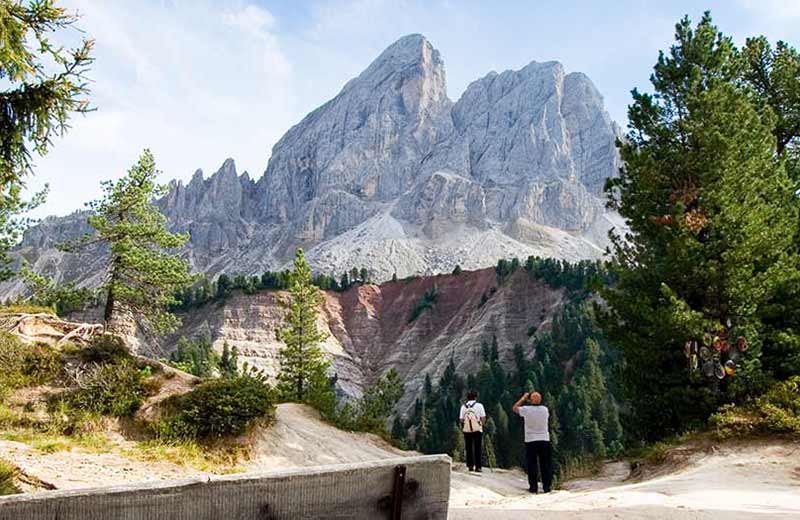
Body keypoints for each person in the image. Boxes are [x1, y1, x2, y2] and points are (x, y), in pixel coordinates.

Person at [513, 391, 552, 493]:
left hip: (531, 440)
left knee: (532, 464)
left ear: (530, 400)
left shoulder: (526, 410)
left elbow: (515, 408)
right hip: (544, 439)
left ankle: (533, 487)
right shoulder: (545, 410)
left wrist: (523, 398)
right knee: (545, 464)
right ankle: (546, 487)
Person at [459, 390, 486, 472]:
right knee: (478, 448)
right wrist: (481, 424)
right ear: (475, 397)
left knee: (468, 447)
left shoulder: (463, 407)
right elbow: (483, 417)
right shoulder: (479, 405)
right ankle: (478, 467)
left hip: (467, 430)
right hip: (477, 429)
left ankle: (470, 465)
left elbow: (461, 419)